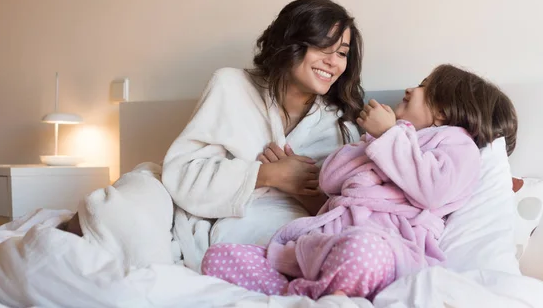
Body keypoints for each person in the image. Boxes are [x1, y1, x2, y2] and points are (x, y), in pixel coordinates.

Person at [200, 64, 518, 300]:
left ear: (444, 111)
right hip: (327, 244)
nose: (410, 89)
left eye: (424, 86)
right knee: (217, 257)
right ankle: (306, 295)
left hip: (387, 252)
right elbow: (331, 179)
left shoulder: (455, 144)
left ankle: (314, 296)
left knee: (361, 251)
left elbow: (435, 191)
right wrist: (369, 143)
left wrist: (392, 135)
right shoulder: (380, 143)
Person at [161, 0, 365, 271]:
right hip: (226, 224)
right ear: (291, 42)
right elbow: (183, 177)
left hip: (299, 231)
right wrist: (267, 174)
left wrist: (302, 188)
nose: (332, 62)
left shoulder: (341, 122)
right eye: (322, 46)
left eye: (342, 53)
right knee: (134, 190)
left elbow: (352, 209)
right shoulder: (231, 86)